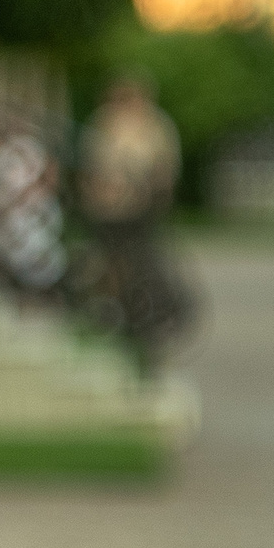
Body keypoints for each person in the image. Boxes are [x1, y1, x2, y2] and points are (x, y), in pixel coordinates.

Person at [80, 72, 191, 368]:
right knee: (112, 267)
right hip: (109, 213)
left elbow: (165, 169)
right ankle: (114, 320)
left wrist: (148, 190)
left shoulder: (156, 126)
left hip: (141, 212)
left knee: (144, 269)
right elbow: (92, 169)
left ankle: (148, 325)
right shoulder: (103, 123)